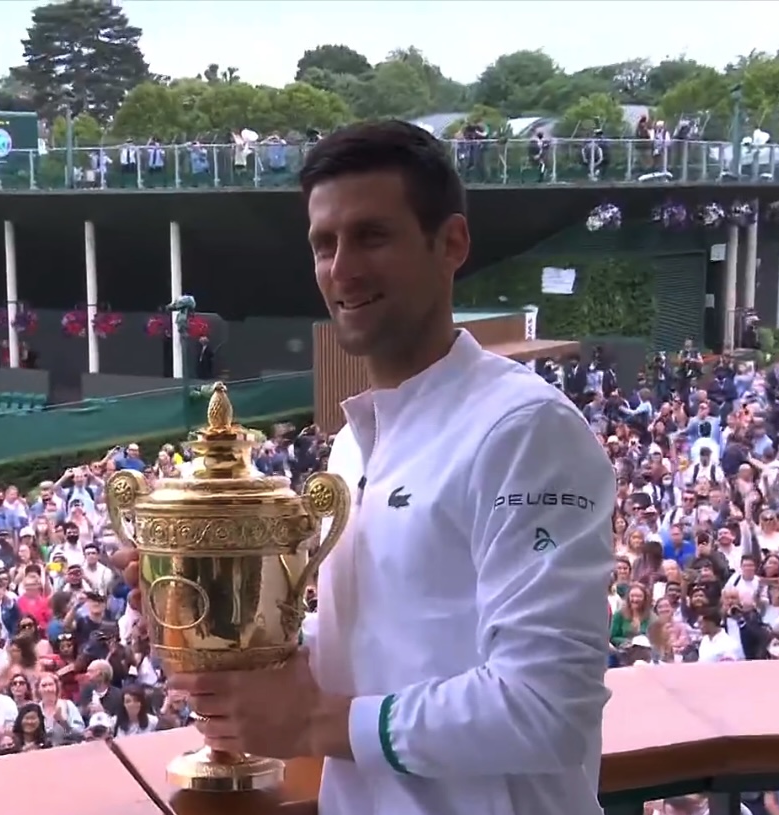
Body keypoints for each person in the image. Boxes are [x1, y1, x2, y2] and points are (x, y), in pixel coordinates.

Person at [174, 120, 616, 815]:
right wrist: (219, 622)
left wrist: (315, 722)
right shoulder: (354, 444)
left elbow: (545, 706)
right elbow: (379, 645)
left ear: (452, 244)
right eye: (324, 244)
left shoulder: (526, 429)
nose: (341, 269)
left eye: (371, 236)